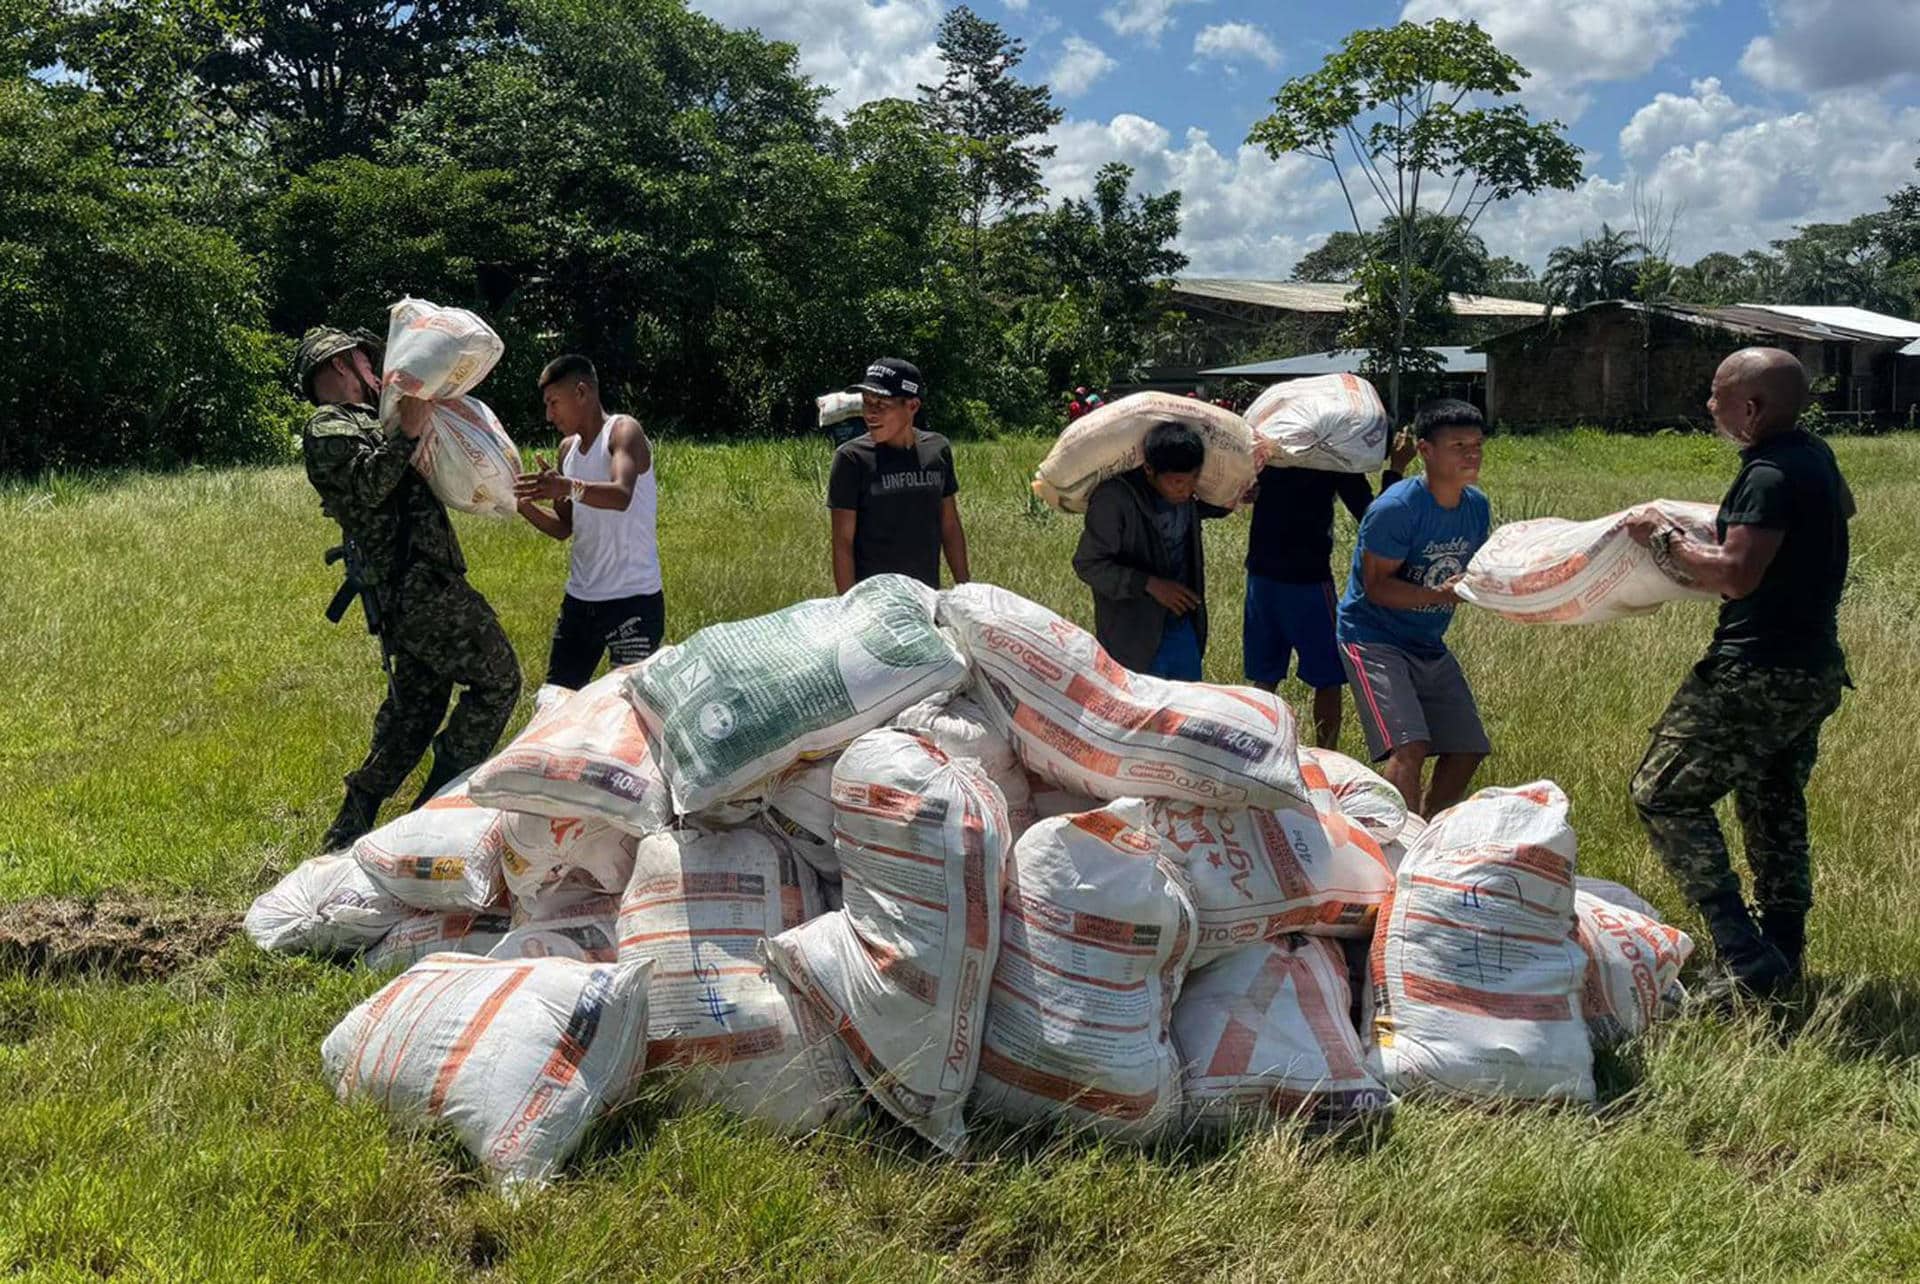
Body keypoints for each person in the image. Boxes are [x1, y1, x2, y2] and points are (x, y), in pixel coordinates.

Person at [1625, 347, 1852, 1002]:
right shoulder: (1813, 457)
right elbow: (1840, 509)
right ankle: (1784, 951)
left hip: (1756, 670)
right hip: (1814, 670)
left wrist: (1661, 538)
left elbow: (1733, 575)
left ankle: (1741, 949)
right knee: (1771, 798)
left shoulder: (1768, 475)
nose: (1709, 405)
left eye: (1718, 394)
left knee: (1661, 793)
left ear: (1750, 409)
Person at [293, 326, 521, 852]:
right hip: (417, 589)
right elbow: (371, 487)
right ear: (340, 366)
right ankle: (435, 809)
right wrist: (409, 433)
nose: (375, 371)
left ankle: (345, 840)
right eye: (365, 361)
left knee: (410, 721)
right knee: (499, 679)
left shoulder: (369, 420)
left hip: (417, 586)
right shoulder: (328, 427)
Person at [1335, 399, 1491, 817]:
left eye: (1476, 444)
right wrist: (1441, 594)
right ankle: (1396, 850)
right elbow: (1377, 589)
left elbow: (1477, 570)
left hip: (1426, 640)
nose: (1471, 454)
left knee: (1467, 748)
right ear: (1425, 451)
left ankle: (1424, 834)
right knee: (1409, 747)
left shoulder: (1476, 507)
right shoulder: (1395, 510)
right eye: (1458, 445)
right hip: (1372, 637)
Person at [1244, 426, 1417, 748]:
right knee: (1329, 677)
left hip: (1260, 577)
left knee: (1264, 677)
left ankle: (1255, 752)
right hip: (1307, 583)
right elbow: (1374, 519)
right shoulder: (1334, 462)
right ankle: (1326, 756)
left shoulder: (1273, 456)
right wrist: (1396, 469)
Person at [513, 355, 664, 690]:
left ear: (581, 392)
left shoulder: (624, 432)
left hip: (633, 601)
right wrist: (520, 504)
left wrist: (566, 486)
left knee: (630, 710)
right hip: (581, 602)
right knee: (556, 700)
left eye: (554, 403)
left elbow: (621, 494)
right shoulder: (567, 450)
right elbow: (563, 527)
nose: (548, 416)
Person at [1072, 419, 1226, 680]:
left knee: (1187, 708)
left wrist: (1236, 496)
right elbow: (1088, 564)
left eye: (1194, 480)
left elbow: (1206, 507)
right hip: (1133, 634)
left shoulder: (1186, 497)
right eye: (1177, 482)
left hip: (1180, 625)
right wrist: (1150, 584)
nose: (1187, 490)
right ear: (1148, 470)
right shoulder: (1114, 500)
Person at [827, 357, 969, 592]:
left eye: (881, 404)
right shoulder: (852, 459)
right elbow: (843, 543)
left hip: (926, 595)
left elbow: (950, 525)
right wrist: (848, 606)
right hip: (873, 601)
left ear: (912, 406)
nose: (870, 414)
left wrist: (965, 591)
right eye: (866, 402)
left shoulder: (937, 450)